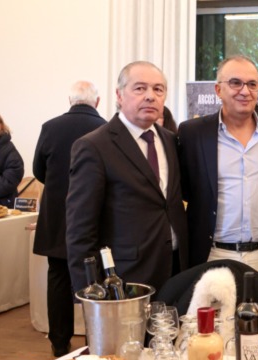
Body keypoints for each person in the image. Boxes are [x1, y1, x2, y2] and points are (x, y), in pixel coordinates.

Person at [66, 61, 188, 293]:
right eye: (140, 88)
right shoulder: (94, 146)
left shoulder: (170, 140)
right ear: (119, 95)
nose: (150, 96)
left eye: (158, 89)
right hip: (126, 275)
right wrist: (89, 289)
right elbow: (80, 229)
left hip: (176, 268)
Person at [178, 55, 258, 282]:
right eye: (235, 83)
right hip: (212, 254)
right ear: (218, 89)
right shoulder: (192, 133)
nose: (245, 91)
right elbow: (184, 190)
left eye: (252, 84)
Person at [33, 81, 106, 356]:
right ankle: (95, 340)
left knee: (58, 277)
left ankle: (59, 341)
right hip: (94, 216)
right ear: (97, 102)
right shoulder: (106, 128)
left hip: (57, 215)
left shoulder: (50, 127)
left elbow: (38, 170)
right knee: (96, 279)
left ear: (69, 100)